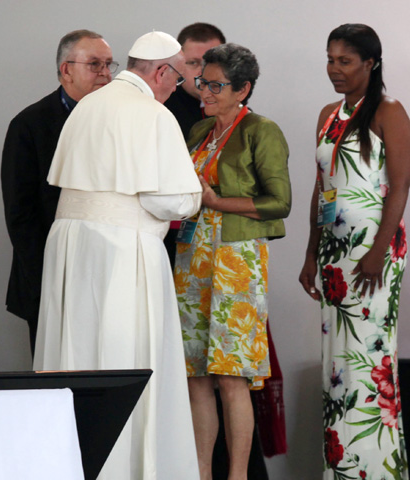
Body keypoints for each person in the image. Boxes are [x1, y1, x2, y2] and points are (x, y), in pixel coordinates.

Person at [33, 31, 202, 479]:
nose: (176, 89)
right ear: (161, 71)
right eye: (177, 78)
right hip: (123, 250)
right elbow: (171, 200)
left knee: (75, 354)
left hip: (70, 246)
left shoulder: (87, 105)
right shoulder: (153, 114)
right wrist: (195, 195)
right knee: (122, 356)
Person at [298, 23, 410, 480]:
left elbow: (399, 187)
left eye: (345, 61)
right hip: (334, 254)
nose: (334, 69)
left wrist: (377, 250)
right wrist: (311, 253)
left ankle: (376, 471)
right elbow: (321, 188)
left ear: (371, 63)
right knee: (339, 363)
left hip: (372, 254)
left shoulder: (389, 111)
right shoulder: (328, 114)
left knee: (369, 358)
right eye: (330, 60)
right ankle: (343, 469)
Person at [173, 43, 291, 480]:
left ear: (243, 89)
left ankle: (237, 475)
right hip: (192, 258)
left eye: (216, 86)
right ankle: (202, 473)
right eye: (202, 82)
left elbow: (280, 202)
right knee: (196, 376)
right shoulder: (199, 129)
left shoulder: (262, 130)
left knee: (231, 375)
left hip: (236, 261)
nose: (205, 92)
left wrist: (218, 201)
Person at [1, 29, 115, 357]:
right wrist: (51, 276)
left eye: (109, 64)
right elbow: (20, 215)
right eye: (94, 64)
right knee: (55, 372)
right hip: (48, 276)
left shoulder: (115, 120)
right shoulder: (29, 124)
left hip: (104, 273)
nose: (105, 73)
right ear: (66, 70)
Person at [164, 22, 226, 266]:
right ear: (179, 65)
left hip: (223, 233)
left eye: (211, 62)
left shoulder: (239, 115)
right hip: (171, 233)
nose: (203, 72)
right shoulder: (161, 109)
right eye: (193, 63)